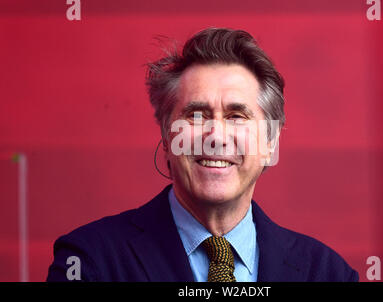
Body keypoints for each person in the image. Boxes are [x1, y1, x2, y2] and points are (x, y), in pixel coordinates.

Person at [47, 28, 358, 282]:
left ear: (270, 143)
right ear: (167, 137)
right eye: (196, 115)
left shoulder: (328, 274)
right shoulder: (90, 263)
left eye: (237, 115)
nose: (216, 136)